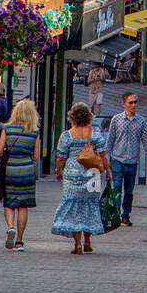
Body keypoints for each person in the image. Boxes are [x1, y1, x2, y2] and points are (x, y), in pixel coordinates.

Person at [53, 101, 111, 254]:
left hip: (72, 175)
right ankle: (88, 241)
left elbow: (60, 158)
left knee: (74, 209)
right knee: (90, 205)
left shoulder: (67, 135)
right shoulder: (95, 133)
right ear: (89, 117)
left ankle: (77, 244)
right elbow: (104, 155)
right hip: (92, 174)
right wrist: (109, 173)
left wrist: (58, 171)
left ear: (72, 117)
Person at [0, 98, 41, 251]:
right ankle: (20, 241)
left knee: (10, 203)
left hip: (11, 169)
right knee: (23, 206)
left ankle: (10, 227)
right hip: (27, 170)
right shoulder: (34, 131)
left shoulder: (7, 128)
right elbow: (36, 156)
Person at [105, 90, 147, 226]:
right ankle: (116, 213)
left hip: (132, 161)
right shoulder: (116, 119)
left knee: (129, 191)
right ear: (124, 104)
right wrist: (106, 159)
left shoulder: (141, 121)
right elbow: (110, 139)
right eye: (130, 102)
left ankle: (126, 214)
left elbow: (146, 140)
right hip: (117, 160)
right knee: (117, 187)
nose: (133, 105)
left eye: (135, 102)